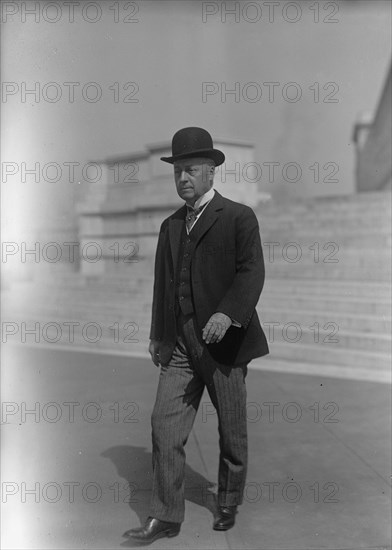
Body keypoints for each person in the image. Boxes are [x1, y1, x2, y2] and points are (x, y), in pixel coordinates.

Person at [125, 127, 269, 543]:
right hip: (180, 344)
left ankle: (227, 499)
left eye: (191, 170)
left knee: (232, 428)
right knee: (163, 424)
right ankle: (166, 515)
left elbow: (251, 271)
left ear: (210, 172)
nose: (183, 178)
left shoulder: (239, 217)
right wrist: (157, 335)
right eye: (177, 172)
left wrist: (229, 313)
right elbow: (162, 285)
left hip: (225, 341)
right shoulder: (170, 226)